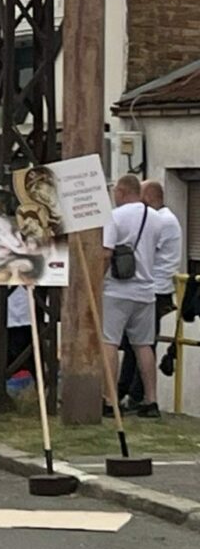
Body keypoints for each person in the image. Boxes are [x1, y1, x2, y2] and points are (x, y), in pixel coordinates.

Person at [119, 180, 181, 411]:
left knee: (142, 343)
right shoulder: (163, 219)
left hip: (154, 287)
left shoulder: (161, 220)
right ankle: (126, 389)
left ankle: (136, 392)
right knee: (137, 343)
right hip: (154, 286)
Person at [103, 173, 161, 418]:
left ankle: (109, 400)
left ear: (123, 192)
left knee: (109, 343)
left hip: (117, 290)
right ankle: (151, 400)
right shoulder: (157, 218)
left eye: (115, 191)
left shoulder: (114, 217)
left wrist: (97, 282)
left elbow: (106, 253)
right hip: (146, 290)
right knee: (143, 346)